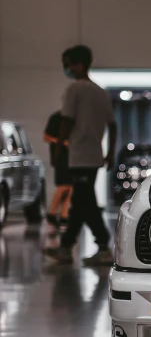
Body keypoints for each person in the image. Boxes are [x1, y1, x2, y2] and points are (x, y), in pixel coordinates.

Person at [44, 45, 116, 266]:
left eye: (67, 63)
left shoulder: (75, 90)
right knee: (83, 202)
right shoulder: (100, 92)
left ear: (79, 64)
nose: (66, 68)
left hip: (78, 155)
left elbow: (66, 121)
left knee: (83, 204)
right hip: (93, 156)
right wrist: (110, 153)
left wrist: (58, 151)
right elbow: (113, 126)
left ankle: (98, 247)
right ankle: (72, 247)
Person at [43, 111, 72, 233]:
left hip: (72, 158)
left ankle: (63, 215)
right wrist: (61, 142)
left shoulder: (73, 118)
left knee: (71, 187)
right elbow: (46, 136)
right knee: (63, 186)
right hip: (61, 157)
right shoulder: (56, 117)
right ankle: (53, 213)